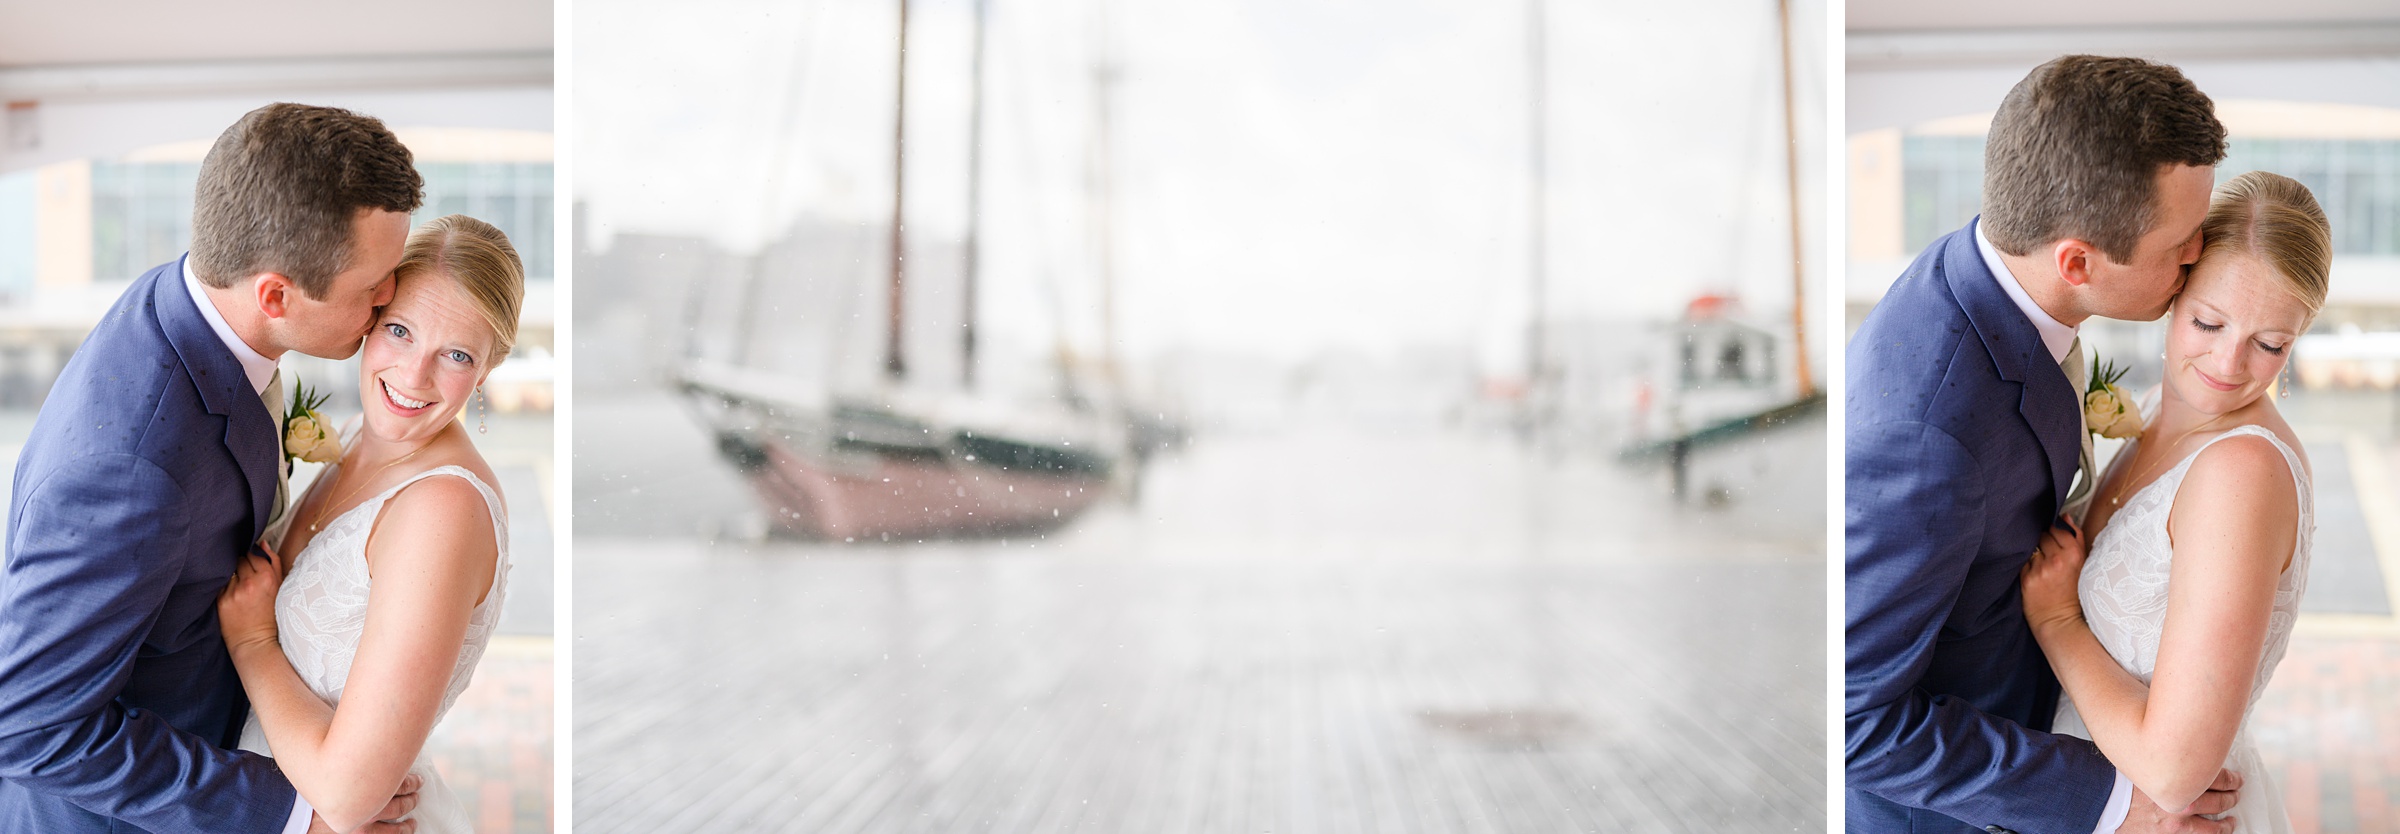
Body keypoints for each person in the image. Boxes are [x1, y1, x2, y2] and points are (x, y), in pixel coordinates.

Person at [0, 102, 427, 834]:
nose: (392, 294)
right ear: (275, 295)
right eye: (374, 282)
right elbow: (29, 727)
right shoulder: (132, 469)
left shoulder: (191, 304)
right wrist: (294, 814)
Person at [1846, 55, 2246, 834]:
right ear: (2077, 261)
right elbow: (1858, 722)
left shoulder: (1989, 278)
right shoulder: (1927, 434)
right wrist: (2113, 803)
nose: (2199, 253)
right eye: (2180, 242)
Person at [2022, 171, 2329, 834]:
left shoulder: (2241, 470)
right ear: (2174, 290)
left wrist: (2057, 623)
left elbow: (2172, 773)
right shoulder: (2167, 410)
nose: (2228, 363)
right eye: (2208, 322)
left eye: (2271, 344)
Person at [219, 214, 523, 834]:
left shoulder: (444, 509)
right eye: (401, 331)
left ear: (487, 370)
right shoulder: (362, 435)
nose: (413, 377)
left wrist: (252, 643)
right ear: (370, 319)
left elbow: (348, 794)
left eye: (457, 354)